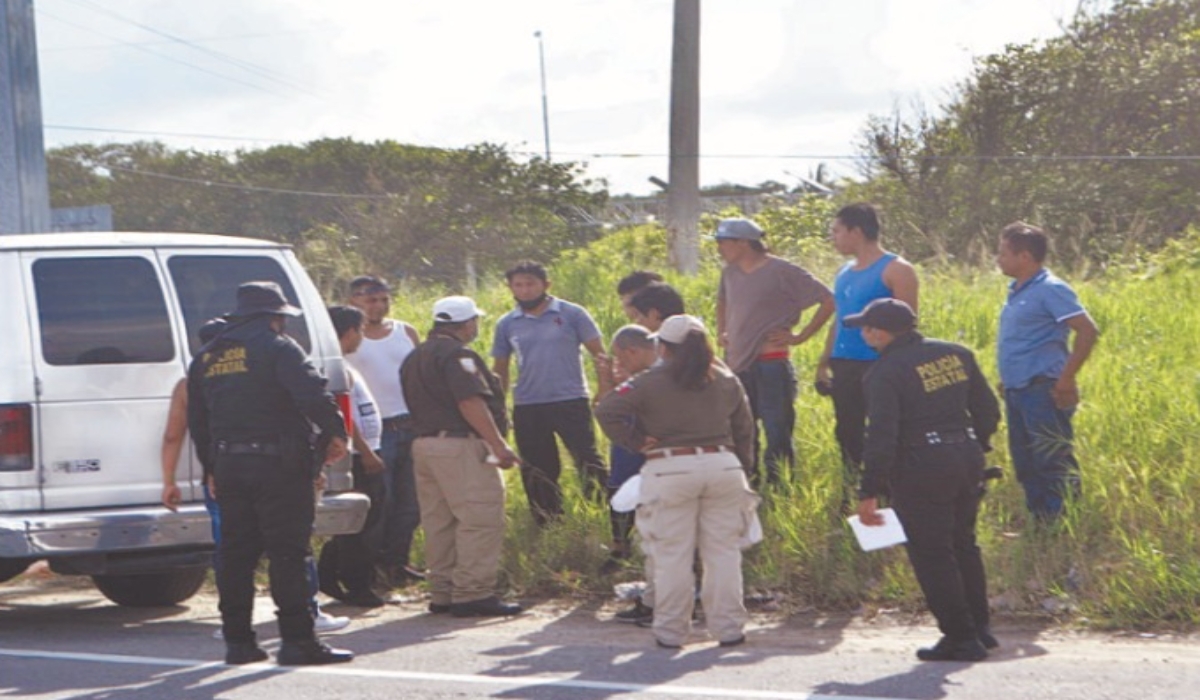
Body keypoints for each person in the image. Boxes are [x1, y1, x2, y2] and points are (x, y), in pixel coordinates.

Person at [187, 281, 353, 666]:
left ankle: (239, 643)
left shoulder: (208, 357)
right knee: (288, 553)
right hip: (279, 465)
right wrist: (335, 433)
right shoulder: (277, 347)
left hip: (229, 465)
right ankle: (298, 642)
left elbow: (200, 421)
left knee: (235, 555)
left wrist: (211, 467)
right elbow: (313, 394)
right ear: (275, 318)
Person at [850, 298, 1001, 662]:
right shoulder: (956, 354)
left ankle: (961, 637)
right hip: (966, 457)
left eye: (866, 327)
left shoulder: (884, 373)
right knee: (963, 544)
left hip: (921, 466)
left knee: (932, 553)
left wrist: (869, 489)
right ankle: (979, 628)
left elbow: (881, 436)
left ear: (879, 332)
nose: (863, 333)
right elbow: (988, 409)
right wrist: (974, 444)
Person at [596, 315, 756, 650]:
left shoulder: (649, 380)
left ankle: (671, 632)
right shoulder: (725, 377)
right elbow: (745, 429)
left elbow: (606, 409)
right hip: (724, 465)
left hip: (670, 467)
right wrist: (743, 470)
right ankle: (729, 630)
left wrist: (636, 440)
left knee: (672, 556)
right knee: (724, 553)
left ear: (663, 347)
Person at [401, 295, 524, 618]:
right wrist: (498, 445)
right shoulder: (458, 356)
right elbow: (469, 401)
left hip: (425, 445)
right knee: (480, 517)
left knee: (439, 521)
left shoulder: (415, 356)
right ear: (466, 323)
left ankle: (442, 590)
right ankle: (472, 593)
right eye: (474, 322)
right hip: (459, 446)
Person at [714, 218, 834, 485]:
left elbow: (828, 299)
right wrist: (722, 331)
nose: (720, 248)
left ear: (744, 242)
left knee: (777, 430)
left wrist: (800, 336)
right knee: (742, 430)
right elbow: (722, 300)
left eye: (724, 242)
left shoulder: (782, 270)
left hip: (772, 363)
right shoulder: (729, 273)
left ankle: (780, 488)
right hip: (737, 364)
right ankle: (749, 483)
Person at [491, 261, 609, 526]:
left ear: (546, 284)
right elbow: (500, 369)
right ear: (510, 288)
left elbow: (600, 354)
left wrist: (604, 388)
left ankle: (603, 512)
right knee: (536, 466)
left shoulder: (572, 314)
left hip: (570, 399)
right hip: (528, 403)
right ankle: (548, 519)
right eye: (518, 285)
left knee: (587, 457)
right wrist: (498, 407)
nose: (525, 290)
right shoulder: (507, 324)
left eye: (530, 283)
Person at [816, 203, 919, 501]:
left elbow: (907, 323)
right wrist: (824, 361)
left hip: (881, 364)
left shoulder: (897, 269)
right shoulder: (843, 272)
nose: (832, 237)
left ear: (856, 231)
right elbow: (840, 318)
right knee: (847, 431)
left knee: (884, 432)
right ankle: (854, 490)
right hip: (845, 363)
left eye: (836, 231)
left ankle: (890, 493)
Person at [996, 223, 1098, 519]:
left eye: (1003, 253)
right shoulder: (1016, 291)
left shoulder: (1050, 289)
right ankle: (1039, 521)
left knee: (1052, 459)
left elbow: (1087, 331)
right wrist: (1008, 379)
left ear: (1024, 256)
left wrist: (1066, 379)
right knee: (1025, 459)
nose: (998, 259)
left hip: (1043, 388)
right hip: (1018, 389)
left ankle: (1062, 522)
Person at [345, 275, 425, 587]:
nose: (377, 306)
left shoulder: (405, 332)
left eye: (382, 299)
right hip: (376, 432)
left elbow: (420, 375)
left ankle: (397, 563)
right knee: (381, 501)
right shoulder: (349, 338)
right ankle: (370, 568)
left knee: (411, 503)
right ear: (354, 301)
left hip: (410, 423)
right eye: (369, 300)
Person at [317, 306, 389, 608]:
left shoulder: (345, 366)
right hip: (358, 456)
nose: (361, 336)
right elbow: (345, 418)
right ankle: (358, 585)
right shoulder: (336, 369)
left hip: (365, 450)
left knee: (367, 520)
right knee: (363, 524)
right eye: (359, 330)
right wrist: (366, 451)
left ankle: (330, 573)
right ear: (347, 332)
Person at [595, 325, 662, 623]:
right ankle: (622, 548)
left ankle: (660, 601)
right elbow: (605, 407)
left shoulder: (657, 379)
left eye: (621, 358)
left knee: (662, 532)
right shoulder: (636, 380)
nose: (619, 364)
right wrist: (607, 379)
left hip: (660, 459)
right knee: (621, 496)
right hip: (631, 450)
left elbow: (605, 410)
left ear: (632, 351)